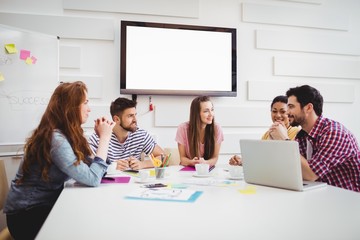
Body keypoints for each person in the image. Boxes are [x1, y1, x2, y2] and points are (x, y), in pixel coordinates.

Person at [4, 81, 115, 239]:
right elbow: (93, 178)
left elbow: (92, 170)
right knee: (88, 226)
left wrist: (100, 137)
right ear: (71, 107)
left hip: (41, 208)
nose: (89, 109)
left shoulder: (67, 135)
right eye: (85, 103)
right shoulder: (56, 139)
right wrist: (105, 138)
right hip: (26, 216)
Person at [271, 85, 360, 192]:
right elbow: (293, 170)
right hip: (320, 195)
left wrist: (284, 140)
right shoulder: (302, 136)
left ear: (308, 108)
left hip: (347, 199)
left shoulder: (334, 132)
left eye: (291, 107)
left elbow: (311, 174)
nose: (287, 112)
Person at [88, 97, 164, 171]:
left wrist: (142, 164)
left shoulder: (141, 135)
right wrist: (112, 167)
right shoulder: (100, 136)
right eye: (130, 116)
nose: (135, 120)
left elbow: (164, 158)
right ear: (116, 119)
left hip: (134, 183)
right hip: (109, 183)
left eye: (135, 115)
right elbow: (87, 166)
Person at [229, 95, 301, 166]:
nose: (278, 115)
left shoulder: (297, 132)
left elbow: (292, 161)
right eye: (274, 111)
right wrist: (241, 162)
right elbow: (261, 159)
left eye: (283, 112)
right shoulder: (267, 134)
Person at [175, 96, 224, 167]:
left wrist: (204, 163)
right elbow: (182, 159)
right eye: (206, 111)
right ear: (197, 114)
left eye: (212, 110)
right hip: (188, 171)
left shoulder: (217, 128)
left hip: (208, 170)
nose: (211, 114)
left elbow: (215, 158)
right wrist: (192, 162)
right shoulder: (183, 128)